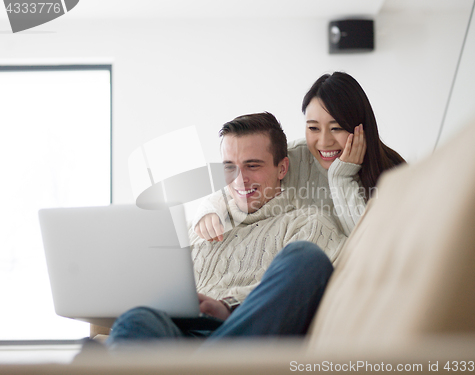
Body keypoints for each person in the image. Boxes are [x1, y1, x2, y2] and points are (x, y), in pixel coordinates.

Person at [106, 112, 346, 345]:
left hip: (241, 331)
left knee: (308, 259)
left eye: (253, 166)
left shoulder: (307, 223)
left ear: (282, 168)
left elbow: (307, 287)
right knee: (135, 321)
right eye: (229, 167)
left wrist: (228, 306)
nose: (240, 180)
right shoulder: (197, 226)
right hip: (176, 337)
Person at [194, 71, 405, 242]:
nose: (324, 142)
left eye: (336, 128)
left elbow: (368, 245)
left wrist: (342, 177)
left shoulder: (393, 174)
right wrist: (209, 211)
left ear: (361, 128)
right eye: (313, 128)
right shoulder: (295, 158)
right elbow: (236, 185)